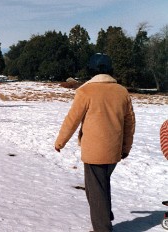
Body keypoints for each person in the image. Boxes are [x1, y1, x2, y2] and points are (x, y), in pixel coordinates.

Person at [54, 53, 135, 232]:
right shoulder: (122, 92)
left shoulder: (85, 91)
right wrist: (126, 147)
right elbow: (130, 123)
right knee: (100, 185)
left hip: (94, 152)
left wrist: (60, 142)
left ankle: (102, 226)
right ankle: (105, 214)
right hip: (114, 150)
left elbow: (72, 120)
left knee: (95, 190)